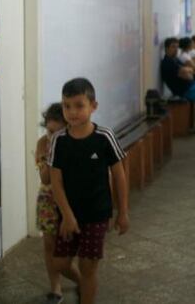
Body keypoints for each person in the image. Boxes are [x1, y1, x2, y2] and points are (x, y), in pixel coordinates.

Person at [49, 78, 130, 304]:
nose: (72, 112)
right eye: (67, 106)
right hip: (68, 214)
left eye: (79, 105)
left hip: (97, 213)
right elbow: (56, 181)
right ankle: (83, 286)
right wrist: (66, 215)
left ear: (93, 106)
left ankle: (87, 295)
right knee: (61, 263)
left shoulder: (104, 137)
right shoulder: (59, 141)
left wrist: (123, 211)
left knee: (88, 266)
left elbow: (119, 175)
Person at [34, 103, 80, 304]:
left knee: (67, 252)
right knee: (49, 245)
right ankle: (56, 289)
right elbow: (45, 178)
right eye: (49, 130)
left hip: (72, 201)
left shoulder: (77, 143)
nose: (51, 135)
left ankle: (82, 280)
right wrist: (52, 149)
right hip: (48, 200)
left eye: (57, 131)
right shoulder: (43, 144)